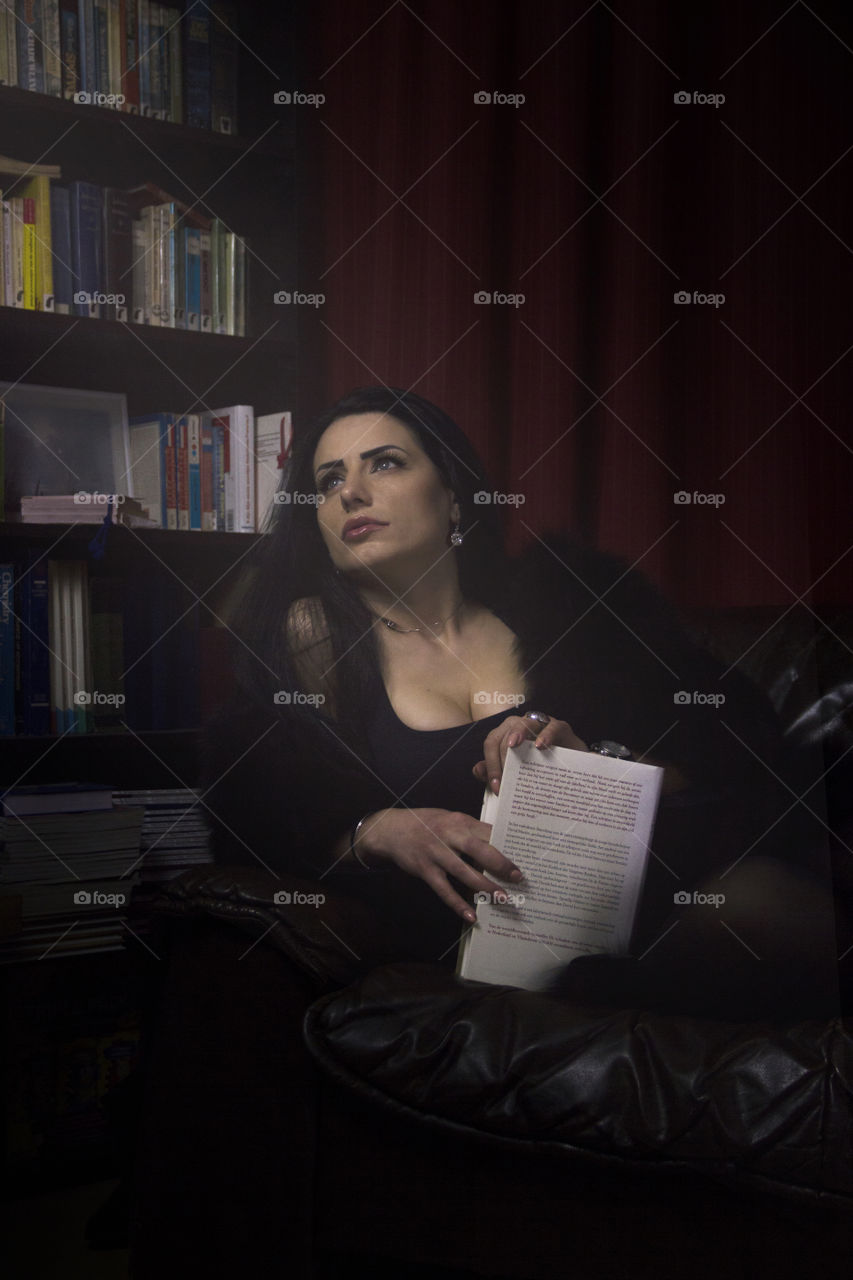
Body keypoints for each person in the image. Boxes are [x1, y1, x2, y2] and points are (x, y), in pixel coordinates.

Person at [204, 386, 843, 1018]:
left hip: (629, 919)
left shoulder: (577, 615)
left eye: (386, 462)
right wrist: (381, 829)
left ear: (454, 497)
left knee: (762, 900)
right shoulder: (312, 637)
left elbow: (735, 775)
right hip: (457, 947)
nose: (351, 492)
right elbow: (260, 815)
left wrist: (593, 765)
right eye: (327, 480)